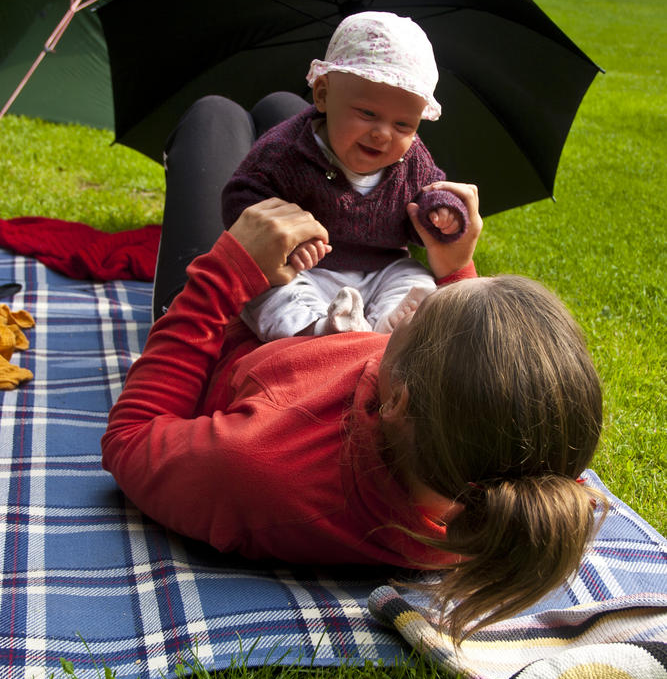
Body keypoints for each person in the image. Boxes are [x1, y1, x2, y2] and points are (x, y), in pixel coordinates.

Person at [102, 188, 605, 644]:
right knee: (294, 124)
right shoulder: (502, 491)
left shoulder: (255, 460)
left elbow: (130, 437)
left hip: (221, 324)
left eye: (424, 308)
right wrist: (456, 267)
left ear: (397, 402)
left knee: (216, 117)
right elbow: (479, 390)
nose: (428, 292)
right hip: (316, 306)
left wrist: (223, 275)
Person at [212, 11, 468, 340]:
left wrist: (440, 212)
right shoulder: (286, 150)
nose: (383, 134)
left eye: (403, 124)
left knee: (414, 278)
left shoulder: (412, 158)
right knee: (270, 295)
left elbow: (432, 189)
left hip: (382, 266)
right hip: (306, 268)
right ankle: (323, 328)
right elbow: (242, 196)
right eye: (368, 114)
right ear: (323, 94)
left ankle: (389, 324)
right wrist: (285, 246)